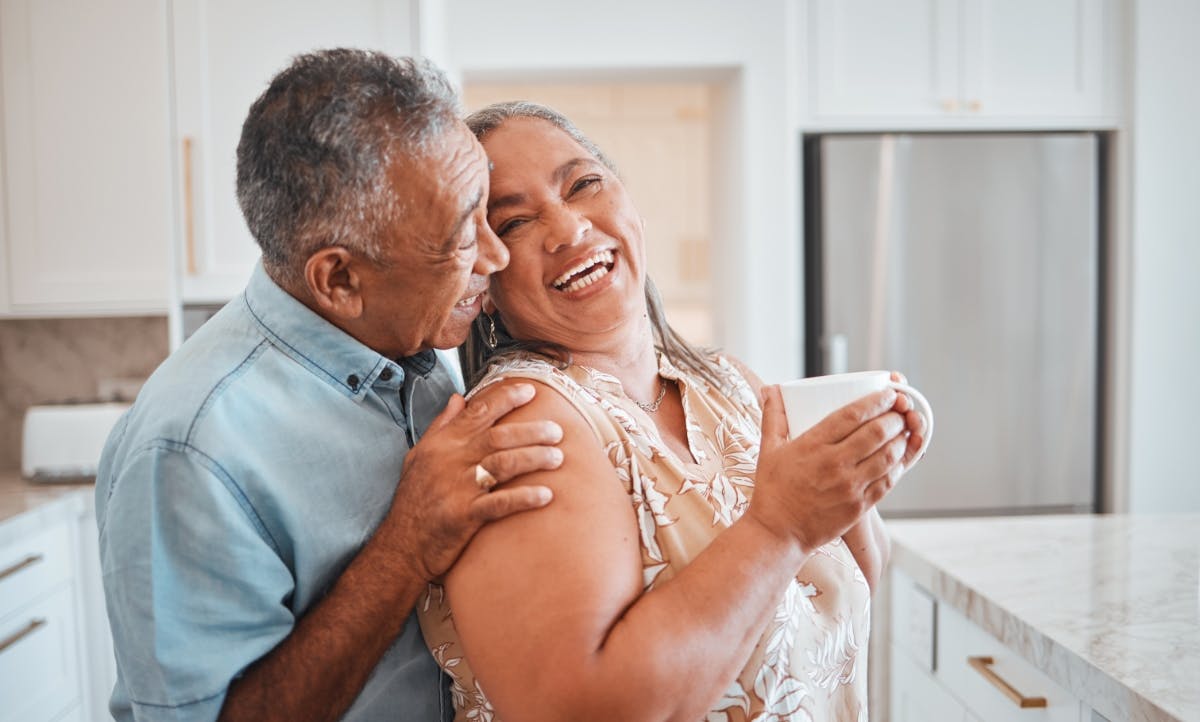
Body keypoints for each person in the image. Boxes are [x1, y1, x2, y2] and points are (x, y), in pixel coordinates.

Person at [417, 102, 928, 722]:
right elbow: (584, 711)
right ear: (486, 281)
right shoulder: (525, 424)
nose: (568, 229)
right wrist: (779, 526)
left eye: (583, 184)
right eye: (516, 221)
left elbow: (841, 596)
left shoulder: (727, 382)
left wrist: (857, 477)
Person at [95, 52, 566, 722]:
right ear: (339, 280)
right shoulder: (191, 448)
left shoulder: (422, 331)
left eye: (489, 214)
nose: (496, 257)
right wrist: (405, 545)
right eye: (463, 236)